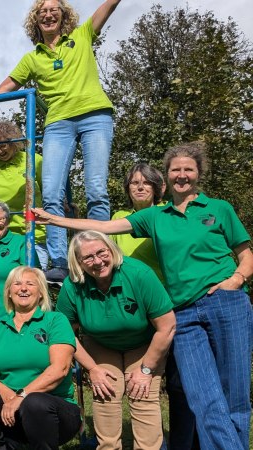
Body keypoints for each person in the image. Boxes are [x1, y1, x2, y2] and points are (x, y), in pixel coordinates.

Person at [33, 141, 253, 449]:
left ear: (198, 174)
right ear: (166, 177)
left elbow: (246, 255)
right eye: (176, 169)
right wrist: (55, 220)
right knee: (202, 396)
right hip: (183, 312)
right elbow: (103, 226)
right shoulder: (156, 216)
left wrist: (236, 280)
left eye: (188, 169)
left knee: (235, 395)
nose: (182, 175)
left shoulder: (219, 209)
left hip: (225, 301)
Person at [0, 0, 123, 283]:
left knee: (96, 189)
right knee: (50, 193)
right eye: (43, 12)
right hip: (59, 123)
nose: (49, 14)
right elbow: (1, 91)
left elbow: (110, 6)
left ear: (63, 16)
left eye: (54, 9)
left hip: (95, 115)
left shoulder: (82, 35)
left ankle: (100, 250)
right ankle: (58, 260)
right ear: (36, 21)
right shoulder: (32, 58)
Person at [56, 231, 175, 449]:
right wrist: (92, 369)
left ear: (111, 250)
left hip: (143, 343)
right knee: (105, 391)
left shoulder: (139, 274)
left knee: (142, 394)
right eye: (88, 258)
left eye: (102, 252)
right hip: (101, 343)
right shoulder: (72, 286)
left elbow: (167, 326)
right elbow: (64, 333)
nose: (98, 261)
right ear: (78, 263)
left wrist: (146, 370)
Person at [0, 266, 81, 449]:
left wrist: (22, 396)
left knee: (34, 402)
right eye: (17, 284)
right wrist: (4, 390)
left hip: (54, 411)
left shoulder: (55, 320)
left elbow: (60, 369)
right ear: (8, 292)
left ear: (40, 293)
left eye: (30, 284)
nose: (23, 288)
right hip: (10, 406)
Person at [0, 120, 47, 268]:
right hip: (2, 237)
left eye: (3, 145)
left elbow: (49, 191)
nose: (0, 151)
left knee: (32, 281)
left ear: (13, 142)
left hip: (33, 234)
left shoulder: (32, 159)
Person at [110, 163, 165, 280]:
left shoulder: (167, 213)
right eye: (134, 183)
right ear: (128, 188)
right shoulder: (119, 217)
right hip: (128, 289)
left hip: (163, 289)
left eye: (147, 183)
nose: (140, 187)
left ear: (155, 188)